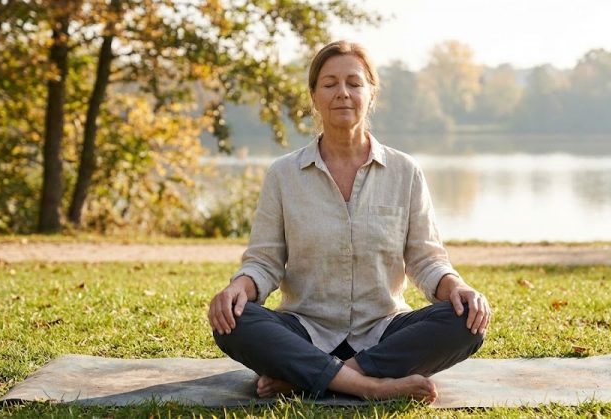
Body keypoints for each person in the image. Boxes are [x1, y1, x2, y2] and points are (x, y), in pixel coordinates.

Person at [208, 40, 491, 404]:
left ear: (371, 94)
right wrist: (238, 289)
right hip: (304, 329)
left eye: (354, 83)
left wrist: (458, 287)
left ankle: (308, 376)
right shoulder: (283, 175)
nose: (342, 93)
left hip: (385, 330)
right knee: (235, 321)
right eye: (330, 84)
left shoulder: (405, 172)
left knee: (466, 318)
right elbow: (264, 262)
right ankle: (370, 385)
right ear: (314, 96)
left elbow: (426, 259)